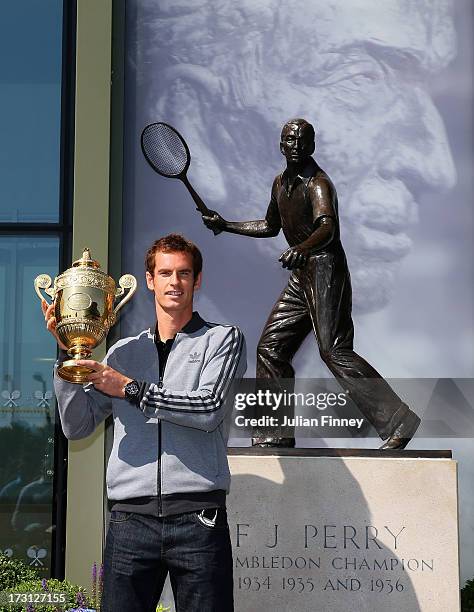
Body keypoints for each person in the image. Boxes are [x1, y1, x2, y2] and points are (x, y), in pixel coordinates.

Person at [42, 234, 246, 612]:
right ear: (149, 280)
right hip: (130, 521)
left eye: (184, 273)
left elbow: (207, 410)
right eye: (165, 273)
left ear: (197, 281)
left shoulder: (223, 339)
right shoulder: (123, 352)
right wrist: (68, 359)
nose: (174, 282)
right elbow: (77, 426)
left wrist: (132, 389)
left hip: (198, 517)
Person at [203, 118, 420, 450]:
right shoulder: (280, 183)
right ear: (280, 146)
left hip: (325, 269)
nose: (296, 147)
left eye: (302, 141)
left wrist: (302, 248)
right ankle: (274, 433)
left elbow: (327, 227)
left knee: (333, 350)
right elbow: (269, 225)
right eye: (289, 141)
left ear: (312, 146)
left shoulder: (318, 184)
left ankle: (398, 420)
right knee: (271, 348)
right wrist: (226, 224)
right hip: (302, 273)